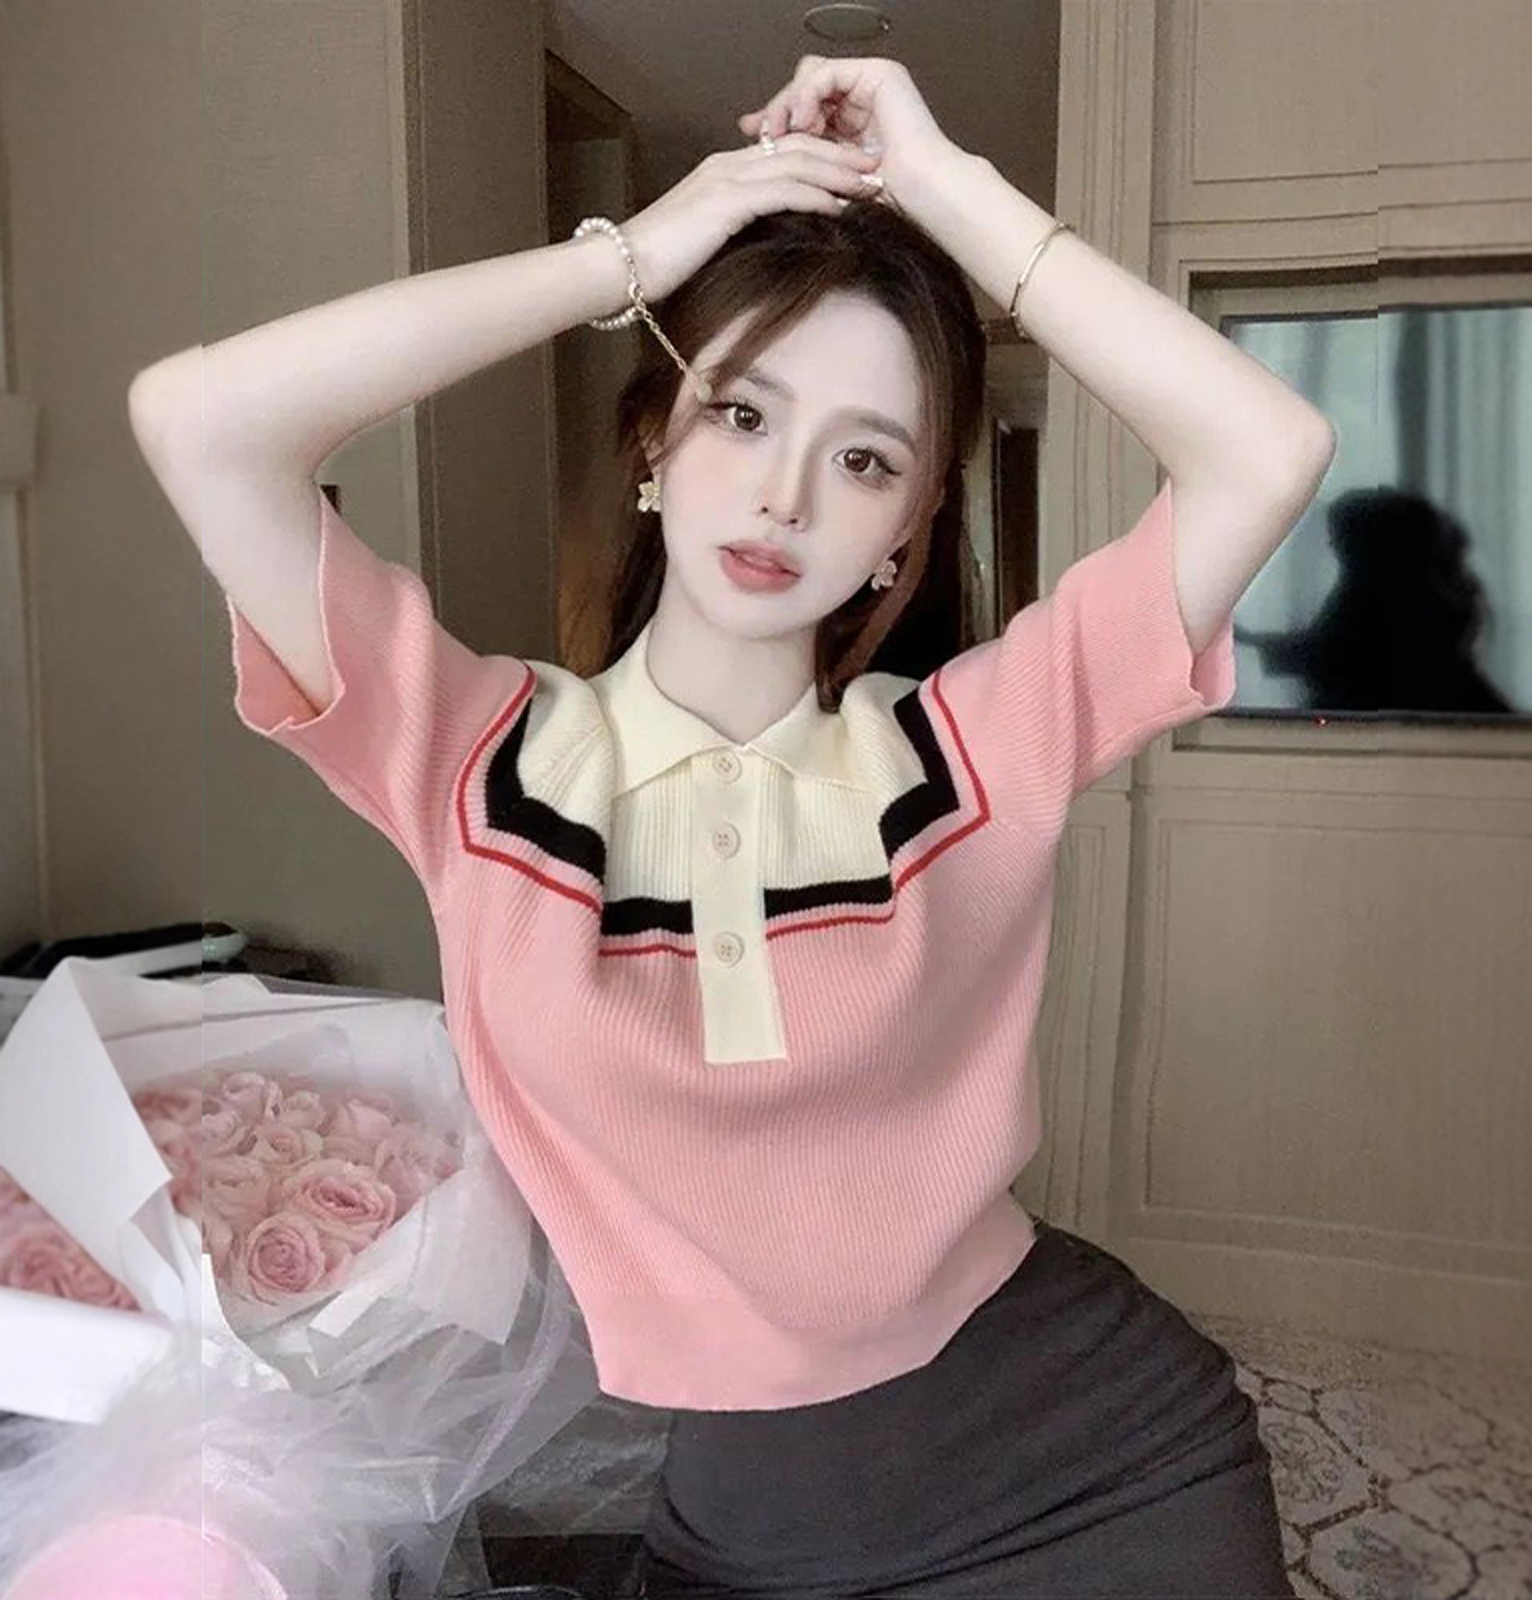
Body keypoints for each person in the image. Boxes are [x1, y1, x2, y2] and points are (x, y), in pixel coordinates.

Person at [129, 51, 1332, 1600]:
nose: (786, 498)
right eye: (743, 412)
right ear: (655, 440)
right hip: (758, 1520)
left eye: (865, 459)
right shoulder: (479, 763)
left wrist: (943, 187)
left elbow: (1268, 449)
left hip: (1101, 1457)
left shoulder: (970, 752)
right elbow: (203, 419)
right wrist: (629, 259)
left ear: (908, 525)